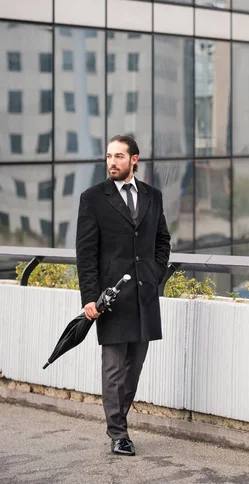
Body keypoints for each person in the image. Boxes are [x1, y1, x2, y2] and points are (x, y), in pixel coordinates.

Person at [76, 134, 171, 456]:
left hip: (144, 295)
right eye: (108, 156)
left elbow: (162, 240)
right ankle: (118, 434)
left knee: (134, 368)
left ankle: (121, 423)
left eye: (118, 156)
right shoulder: (93, 198)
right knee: (114, 368)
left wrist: (154, 274)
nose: (111, 162)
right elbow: (86, 252)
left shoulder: (152, 196)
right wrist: (90, 297)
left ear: (134, 159)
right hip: (111, 297)